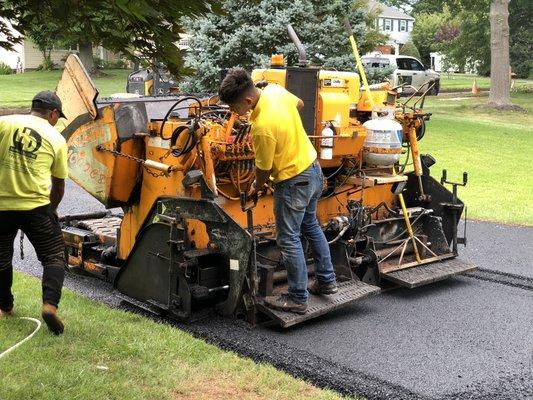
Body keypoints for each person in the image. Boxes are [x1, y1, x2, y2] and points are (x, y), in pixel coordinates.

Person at [218, 68, 337, 314]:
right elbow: (301, 103)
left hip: (293, 182)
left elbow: (263, 169)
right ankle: (327, 282)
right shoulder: (274, 90)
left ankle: (297, 298)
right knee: (311, 226)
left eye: (235, 107)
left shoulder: (261, 126)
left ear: (248, 100)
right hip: (313, 170)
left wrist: (254, 188)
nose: (234, 113)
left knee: (288, 239)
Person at [0, 91, 68, 334]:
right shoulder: (57, 138)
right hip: (36, 208)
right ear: (53, 113)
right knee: (54, 256)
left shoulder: (5, 123)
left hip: (1, 207)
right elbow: (59, 184)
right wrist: (53, 210)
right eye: (58, 117)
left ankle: (5, 307)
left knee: (1, 259)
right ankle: (50, 306)